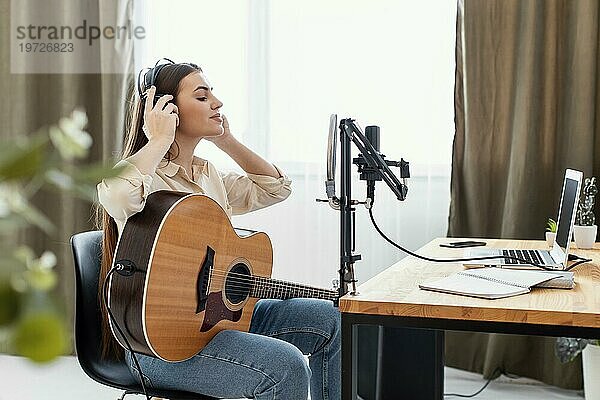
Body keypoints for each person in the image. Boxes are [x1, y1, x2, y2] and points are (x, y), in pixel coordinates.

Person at [94, 59, 341, 400]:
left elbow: (276, 188)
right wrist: (158, 140)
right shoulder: (146, 176)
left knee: (333, 319)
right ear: (167, 109)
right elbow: (117, 194)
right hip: (158, 347)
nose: (217, 103)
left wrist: (227, 141)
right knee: (285, 365)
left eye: (213, 94)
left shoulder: (209, 176)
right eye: (201, 96)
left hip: (217, 324)